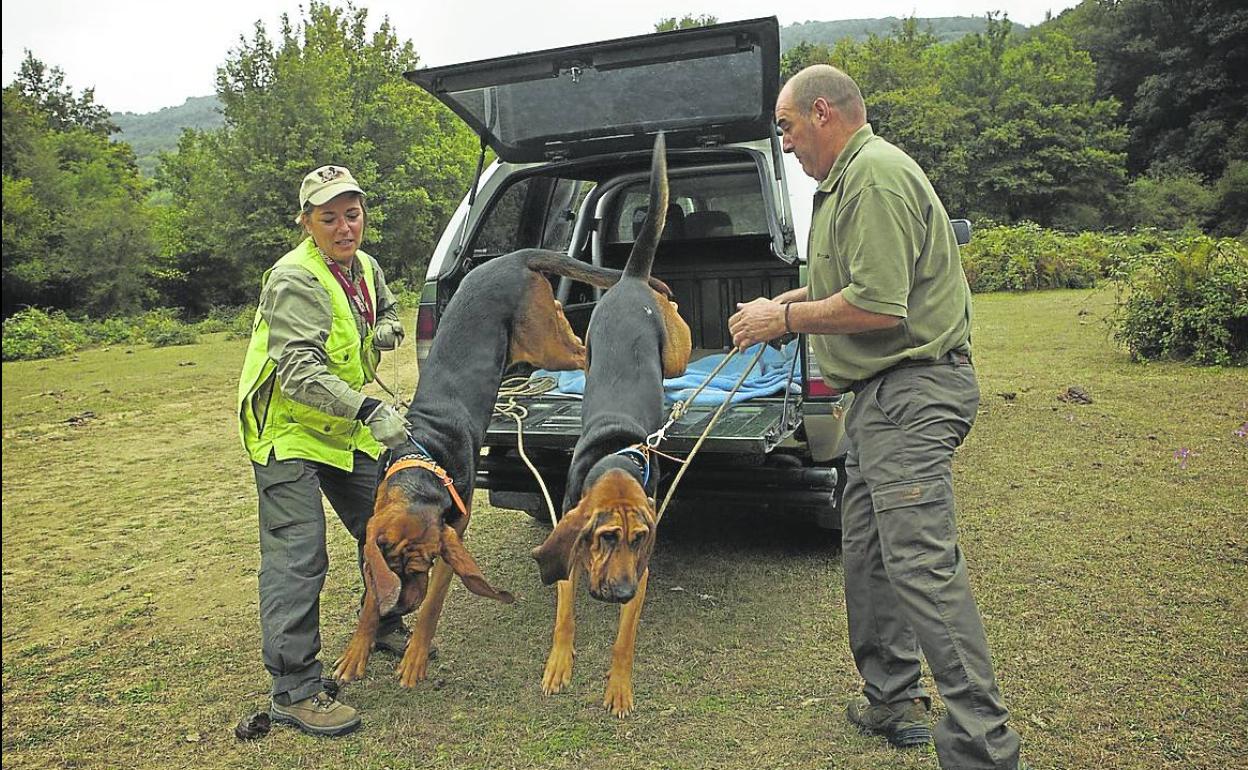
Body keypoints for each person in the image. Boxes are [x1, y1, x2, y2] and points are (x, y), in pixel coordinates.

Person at [729, 65, 1027, 770]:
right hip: (876, 401)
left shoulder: (876, 178)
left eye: (788, 127)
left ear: (823, 112)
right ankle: (892, 698)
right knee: (868, 559)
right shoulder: (843, 185)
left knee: (921, 566)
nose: (787, 144)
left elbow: (879, 305)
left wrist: (788, 317)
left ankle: (984, 749)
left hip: (912, 394)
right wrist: (782, 306)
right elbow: (848, 282)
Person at [237, 164, 412, 737]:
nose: (344, 227)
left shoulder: (365, 266)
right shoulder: (294, 279)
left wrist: (387, 330)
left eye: (352, 214)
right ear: (308, 222)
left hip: (340, 429)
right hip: (287, 431)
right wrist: (369, 409)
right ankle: (294, 689)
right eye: (329, 217)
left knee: (388, 531)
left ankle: (383, 622)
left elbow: (387, 311)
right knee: (299, 555)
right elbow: (299, 374)